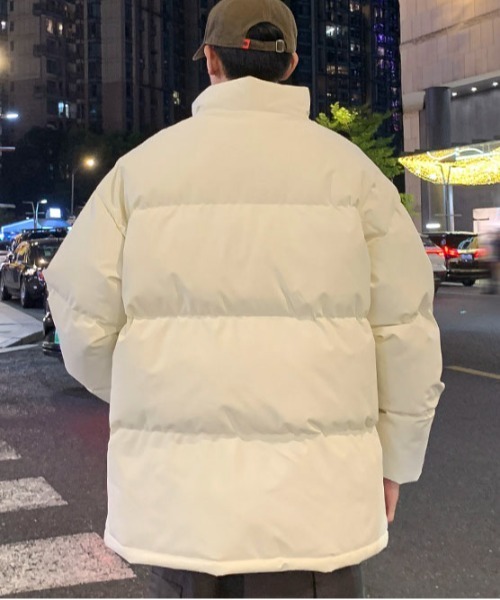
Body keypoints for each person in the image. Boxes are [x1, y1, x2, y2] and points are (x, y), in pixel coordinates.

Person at [45, 0, 444, 597]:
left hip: (185, 514)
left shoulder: (140, 172)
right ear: (292, 64)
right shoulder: (354, 175)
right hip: (319, 513)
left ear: (210, 60)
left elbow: (79, 311)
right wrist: (396, 462)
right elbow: (406, 330)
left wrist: (153, 391)